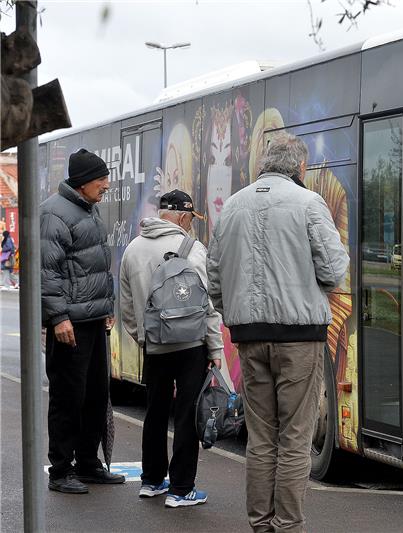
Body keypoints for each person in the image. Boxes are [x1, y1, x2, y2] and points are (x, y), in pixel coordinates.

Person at [207, 133, 349, 532]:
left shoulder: (233, 206)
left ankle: (260, 523)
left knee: (261, 436)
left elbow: (213, 277)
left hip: (249, 338)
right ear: (300, 168)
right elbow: (335, 270)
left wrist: (235, 314)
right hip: (299, 338)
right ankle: (287, 526)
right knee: (295, 437)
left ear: (264, 165)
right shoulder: (308, 204)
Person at [119, 189, 224, 508]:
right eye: (190, 218)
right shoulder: (192, 249)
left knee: (155, 410)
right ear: (180, 216)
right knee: (187, 413)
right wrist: (215, 347)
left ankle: (151, 481)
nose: (191, 224)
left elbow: (125, 305)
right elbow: (206, 305)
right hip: (191, 345)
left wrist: (143, 337)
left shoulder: (133, 249)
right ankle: (181, 488)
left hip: (155, 345)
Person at [40, 148, 124, 493]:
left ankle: (88, 463)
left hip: (91, 319)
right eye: (102, 179)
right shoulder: (54, 213)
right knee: (67, 396)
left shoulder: (87, 209)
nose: (106, 185)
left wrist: (107, 307)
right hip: (70, 324)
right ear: (84, 181)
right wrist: (58, 317)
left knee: (94, 394)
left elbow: (93, 266)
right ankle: (61, 470)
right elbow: (48, 271)